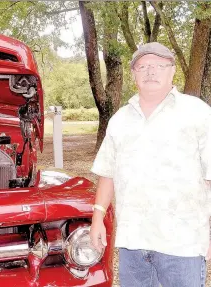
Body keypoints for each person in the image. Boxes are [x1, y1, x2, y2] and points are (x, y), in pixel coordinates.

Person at [89, 42, 211, 287]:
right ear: (134, 74)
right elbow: (107, 172)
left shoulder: (198, 113)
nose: (150, 71)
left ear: (172, 71)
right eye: (143, 66)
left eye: (158, 65)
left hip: (183, 245)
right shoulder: (119, 120)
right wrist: (97, 217)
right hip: (132, 245)